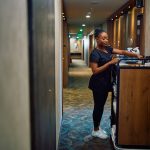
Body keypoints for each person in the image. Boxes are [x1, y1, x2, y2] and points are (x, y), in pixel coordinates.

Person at [88, 29, 143, 139]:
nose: (105, 40)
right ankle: (95, 130)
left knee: (101, 106)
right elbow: (95, 71)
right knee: (98, 106)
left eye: (107, 38)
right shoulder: (95, 53)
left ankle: (97, 127)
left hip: (106, 82)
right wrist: (110, 62)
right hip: (98, 84)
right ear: (97, 39)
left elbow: (122, 52)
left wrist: (135, 55)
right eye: (103, 38)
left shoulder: (108, 49)